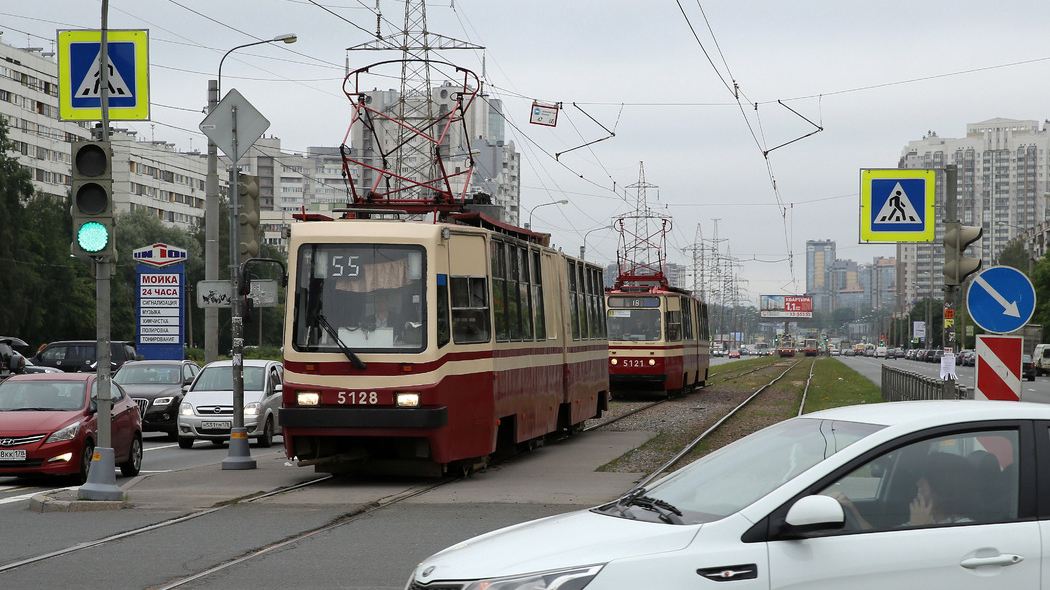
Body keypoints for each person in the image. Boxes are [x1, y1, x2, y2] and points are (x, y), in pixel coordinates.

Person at [829, 451, 974, 530]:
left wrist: (920, 529)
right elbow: (883, 543)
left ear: (940, 488)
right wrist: (852, 509)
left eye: (924, 480)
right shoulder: (925, 518)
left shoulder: (963, 526)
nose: (918, 483)